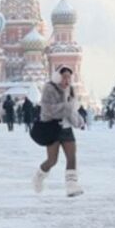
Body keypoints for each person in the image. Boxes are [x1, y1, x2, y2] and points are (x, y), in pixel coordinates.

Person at [33, 65, 85, 197]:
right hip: (52, 128)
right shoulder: (49, 88)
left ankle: (71, 186)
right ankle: (39, 176)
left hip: (66, 128)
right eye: (64, 77)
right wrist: (66, 107)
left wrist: (79, 121)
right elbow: (47, 109)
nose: (67, 80)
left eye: (69, 77)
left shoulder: (70, 89)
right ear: (57, 77)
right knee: (52, 160)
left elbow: (72, 110)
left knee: (72, 157)